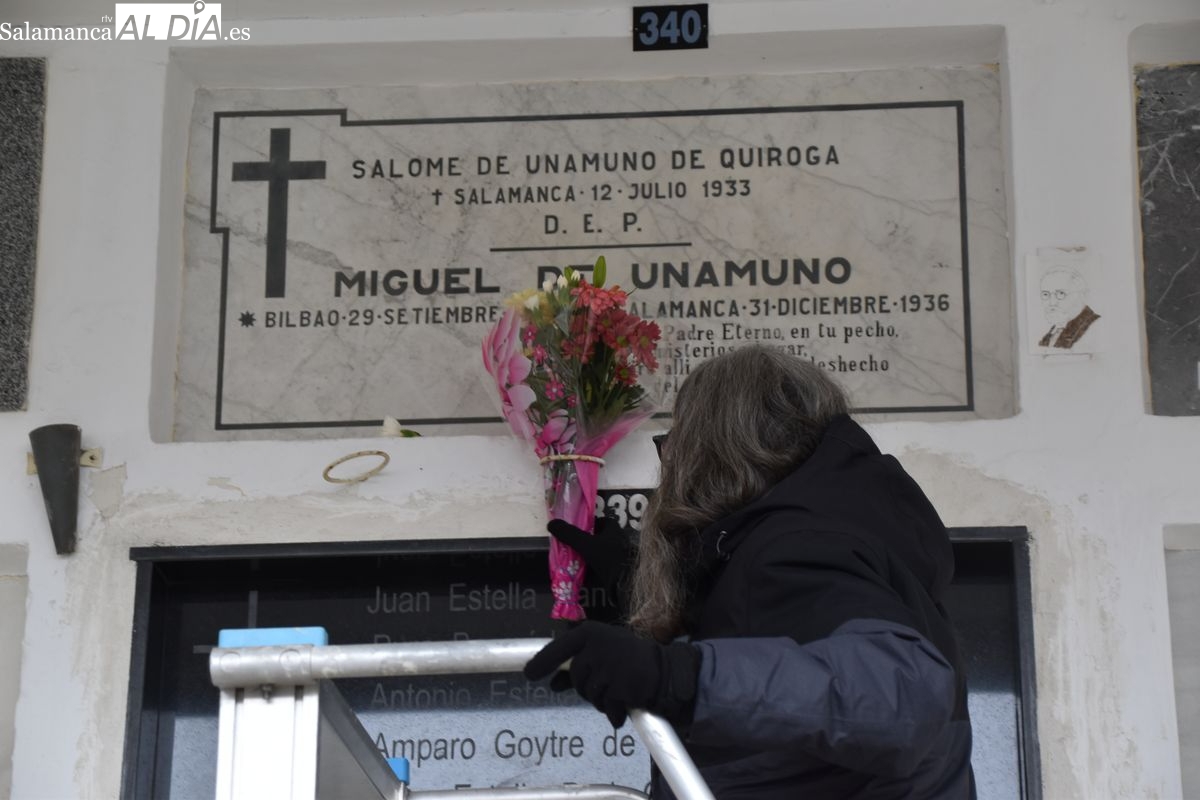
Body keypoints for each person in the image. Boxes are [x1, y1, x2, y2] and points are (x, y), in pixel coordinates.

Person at [524, 344, 975, 799]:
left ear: (713, 450)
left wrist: (675, 678)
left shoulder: (800, 550)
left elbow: (900, 693)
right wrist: (632, 581)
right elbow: (785, 641)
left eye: (675, 444)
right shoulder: (834, 538)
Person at [1039, 267, 1099, 349]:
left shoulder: (1094, 327)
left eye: (1061, 293)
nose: (1052, 303)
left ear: (1082, 296)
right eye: (1046, 294)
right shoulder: (1054, 331)